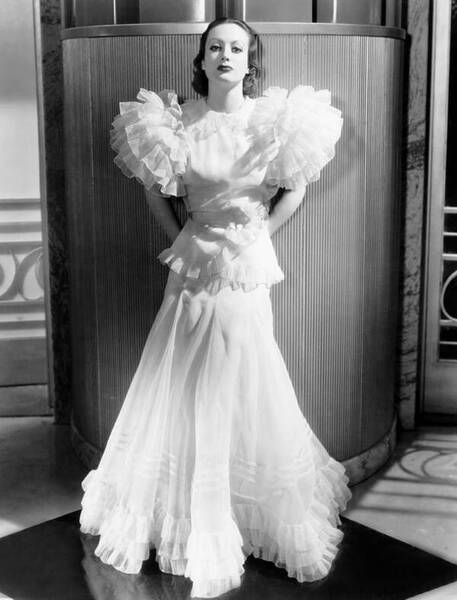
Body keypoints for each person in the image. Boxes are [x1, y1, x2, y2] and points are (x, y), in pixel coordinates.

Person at [79, 17, 352, 599]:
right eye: (215, 48)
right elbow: (155, 188)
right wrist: (182, 237)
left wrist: (257, 237)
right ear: (201, 60)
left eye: (237, 48)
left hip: (246, 269)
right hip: (192, 266)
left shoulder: (273, 121)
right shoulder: (177, 123)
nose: (226, 56)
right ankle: (183, 508)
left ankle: (237, 506)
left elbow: (296, 185)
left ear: (251, 62)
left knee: (241, 376)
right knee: (179, 376)